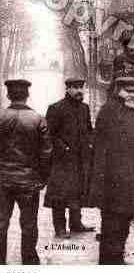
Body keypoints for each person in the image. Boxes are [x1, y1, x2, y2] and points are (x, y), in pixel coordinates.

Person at [88, 76, 134, 264]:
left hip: (129, 183)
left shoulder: (131, 111)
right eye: (128, 92)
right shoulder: (109, 112)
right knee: (112, 226)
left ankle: (117, 258)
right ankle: (109, 262)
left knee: (123, 223)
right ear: (118, 91)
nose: (133, 96)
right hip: (113, 184)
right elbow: (101, 151)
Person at [0, 79, 52, 265]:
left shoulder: (1, 117)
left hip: (2, 181)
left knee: (1, 224)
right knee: (29, 224)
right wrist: (42, 179)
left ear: (8, 95)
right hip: (29, 182)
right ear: (27, 95)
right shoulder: (38, 119)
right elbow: (46, 153)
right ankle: (29, 261)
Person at [44, 78, 95, 239]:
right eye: (75, 88)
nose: (80, 91)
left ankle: (76, 223)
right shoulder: (56, 108)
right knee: (60, 195)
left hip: (80, 159)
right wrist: (63, 148)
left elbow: (89, 129)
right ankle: (59, 227)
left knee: (77, 191)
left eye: (81, 88)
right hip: (62, 160)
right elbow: (50, 135)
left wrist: (91, 143)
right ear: (68, 89)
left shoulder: (85, 108)